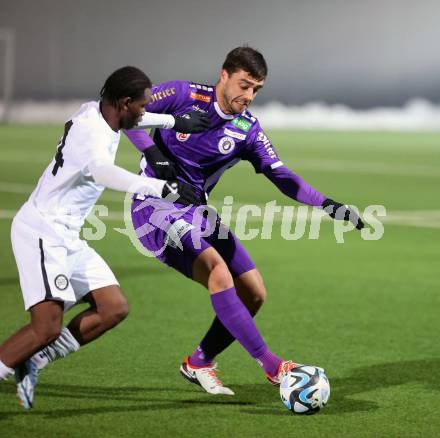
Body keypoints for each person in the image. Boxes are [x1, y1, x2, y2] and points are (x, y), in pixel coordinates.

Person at [125, 46, 365, 395]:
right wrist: (153, 154)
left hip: (196, 212)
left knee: (253, 293)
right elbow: (131, 114)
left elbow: (281, 174)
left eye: (256, 89)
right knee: (219, 272)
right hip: (154, 208)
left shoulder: (246, 129)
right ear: (224, 75)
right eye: (244, 84)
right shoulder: (182, 95)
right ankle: (274, 367)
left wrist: (326, 204)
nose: (249, 95)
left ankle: (198, 362)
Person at [0, 65, 210, 409]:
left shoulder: (99, 113)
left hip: (67, 234)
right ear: (125, 102)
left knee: (113, 307)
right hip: (42, 230)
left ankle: (34, 361)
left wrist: (174, 123)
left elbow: (133, 121)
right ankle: (18, 359)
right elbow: (102, 171)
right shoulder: (91, 134)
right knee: (45, 329)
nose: (145, 111)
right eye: (142, 105)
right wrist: (162, 187)